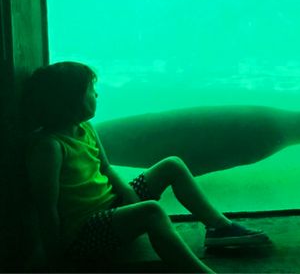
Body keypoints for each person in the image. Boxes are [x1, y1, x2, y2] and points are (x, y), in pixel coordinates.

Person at [21, 61, 270, 272]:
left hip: (110, 208)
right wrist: (56, 259)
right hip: (83, 232)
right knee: (151, 212)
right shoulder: (50, 147)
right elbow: (46, 207)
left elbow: (106, 169)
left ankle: (220, 227)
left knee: (172, 165)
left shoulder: (85, 128)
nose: (96, 94)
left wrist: (130, 200)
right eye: (90, 90)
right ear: (70, 100)